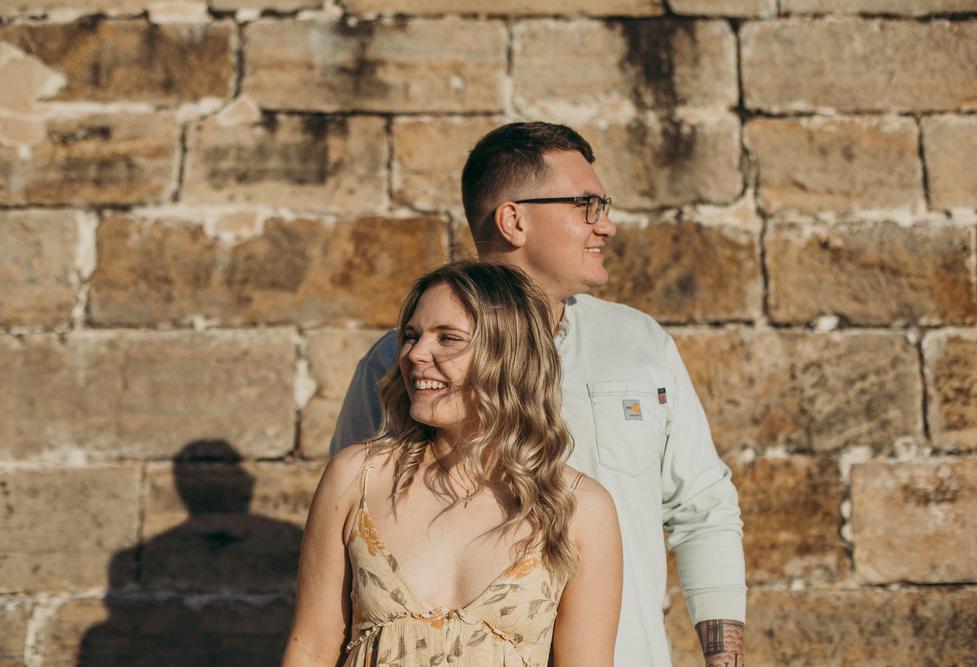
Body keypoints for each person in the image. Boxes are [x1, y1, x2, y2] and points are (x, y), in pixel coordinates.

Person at [330, 122, 747, 666]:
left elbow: (704, 510)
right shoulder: (401, 364)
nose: (606, 225)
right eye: (587, 205)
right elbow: (348, 533)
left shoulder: (639, 344)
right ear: (514, 220)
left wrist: (724, 660)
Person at [284, 261, 623, 666]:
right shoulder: (357, 477)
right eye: (412, 336)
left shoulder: (579, 508)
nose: (414, 354)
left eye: (448, 338)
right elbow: (310, 651)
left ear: (509, 356)